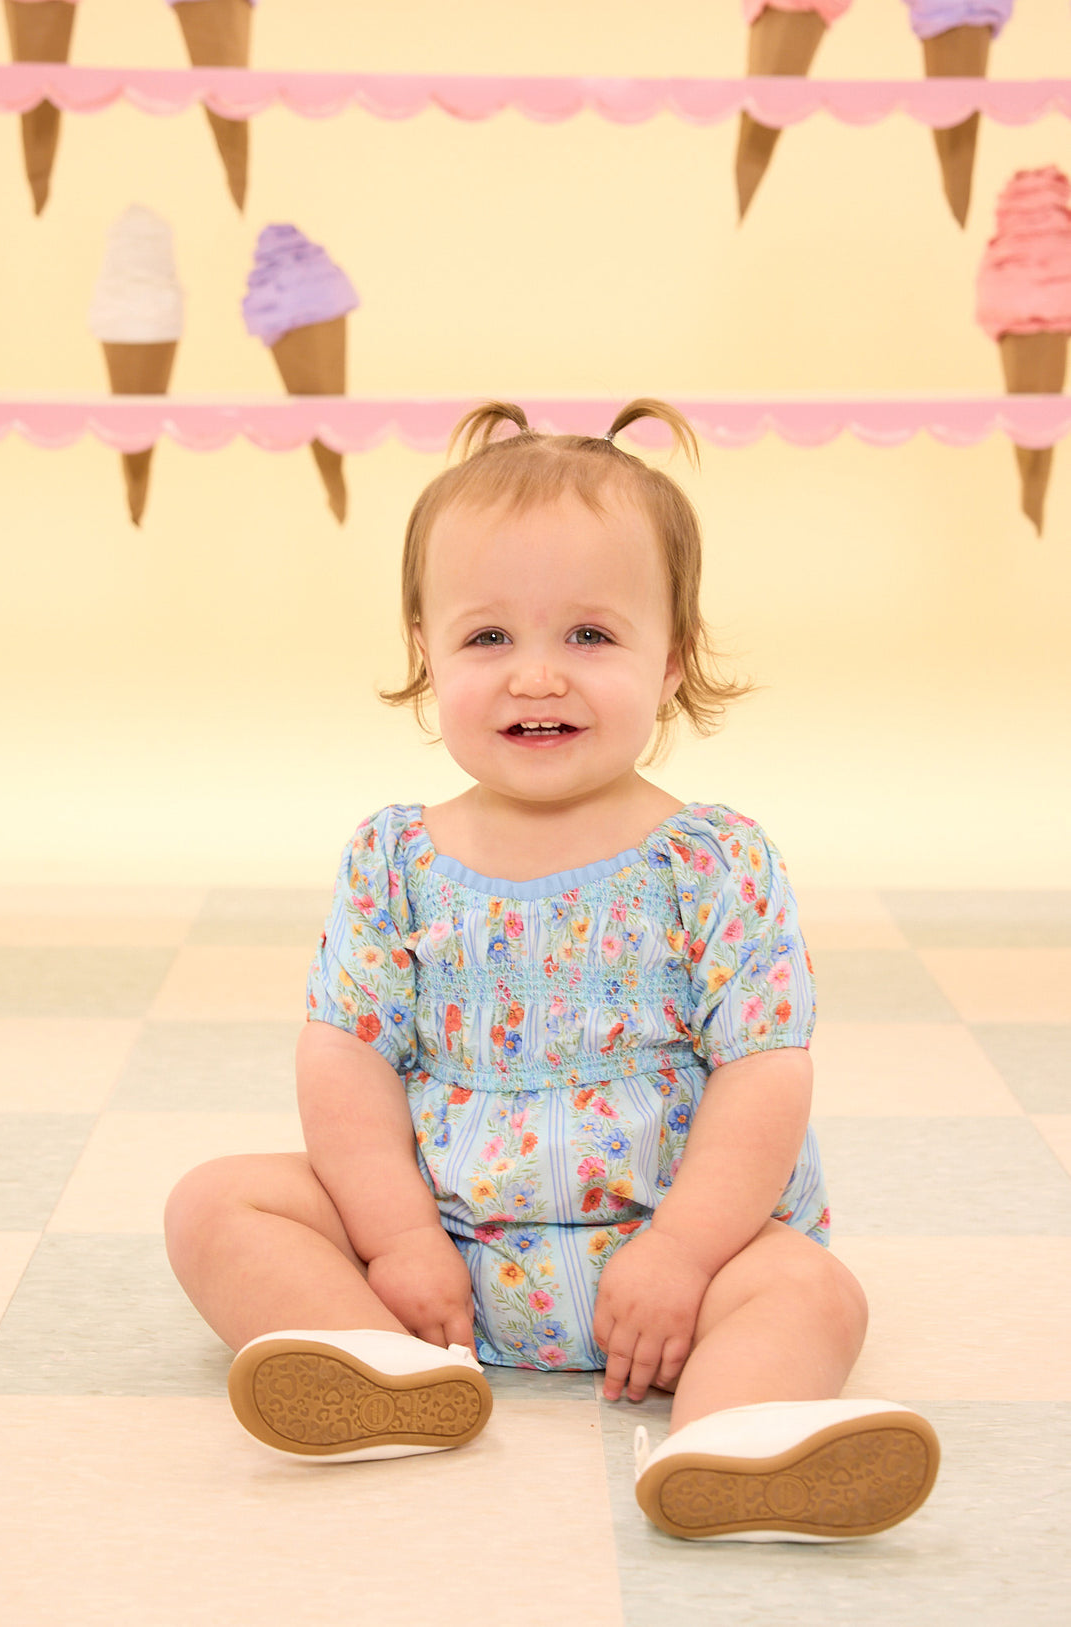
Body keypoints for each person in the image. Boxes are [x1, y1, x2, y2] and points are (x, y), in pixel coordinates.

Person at [165, 400, 939, 1542]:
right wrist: (395, 1241)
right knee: (215, 1203)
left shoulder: (712, 859)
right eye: (488, 639)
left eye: (587, 635)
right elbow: (346, 1060)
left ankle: (726, 1440)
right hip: (444, 1253)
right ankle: (381, 1369)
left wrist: (682, 1250)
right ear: (426, 653)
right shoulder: (396, 859)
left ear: (670, 659)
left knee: (810, 1291)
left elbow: (762, 1071)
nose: (536, 677)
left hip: (670, 1254)